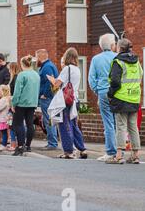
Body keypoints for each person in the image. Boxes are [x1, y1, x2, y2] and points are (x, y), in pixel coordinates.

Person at [106, 39, 143, 164]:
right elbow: (141, 75)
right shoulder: (136, 61)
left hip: (121, 98)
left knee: (121, 126)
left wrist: (110, 94)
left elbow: (115, 81)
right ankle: (135, 155)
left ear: (119, 48)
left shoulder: (118, 62)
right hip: (134, 97)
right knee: (133, 127)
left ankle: (119, 155)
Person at [48, 48, 88, 159]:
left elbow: (57, 84)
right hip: (74, 99)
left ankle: (68, 151)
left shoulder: (67, 69)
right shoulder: (77, 69)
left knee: (64, 125)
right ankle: (82, 149)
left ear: (66, 57)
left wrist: (52, 80)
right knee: (74, 125)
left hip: (65, 101)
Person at [88, 34, 118, 162]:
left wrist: (97, 90)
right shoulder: (118, 57)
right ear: (112, 45)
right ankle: (119, 150)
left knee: (108, 123)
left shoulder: (96, 59)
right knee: (118, 122)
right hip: (117, 93)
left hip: (103, 92)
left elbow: (91, 78)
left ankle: (111, 151)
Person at [11, 55, 40, 156]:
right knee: (29, 124)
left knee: (17, 124)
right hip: (32, 103)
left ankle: (20, 146)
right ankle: (28, 145)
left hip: (22, 103)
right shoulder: (36, 75)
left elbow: (17, 91)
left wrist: (13, 103)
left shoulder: (22, 75)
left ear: (22, 64)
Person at [36, 49, 59, 150]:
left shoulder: (47, 67)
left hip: (47, 98)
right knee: (49, 119)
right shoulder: (49, 65)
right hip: (49, 97)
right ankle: (52, 142)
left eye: (36, 57)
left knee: (48, 120)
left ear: (41, 57)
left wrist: (45, 94)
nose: (36, 59)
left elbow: (50, 81)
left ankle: (52, 143)